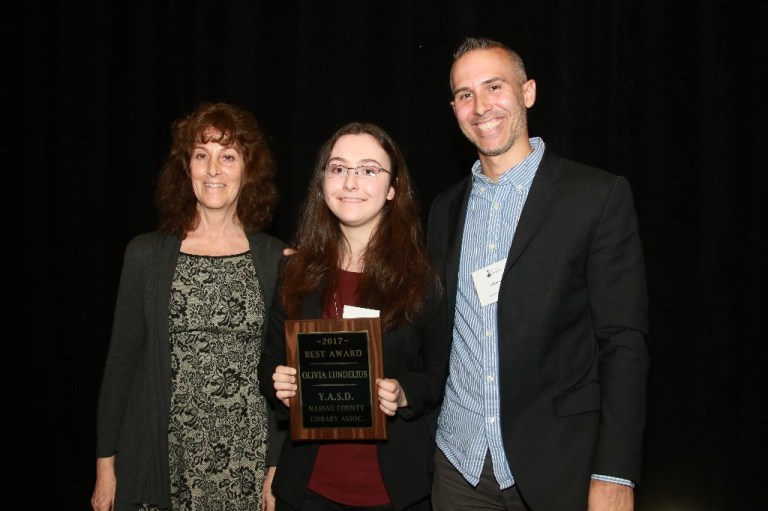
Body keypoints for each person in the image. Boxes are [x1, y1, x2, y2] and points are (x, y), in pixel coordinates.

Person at [427, 36, 649, 511]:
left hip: (558, 467)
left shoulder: (596, 196)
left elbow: (623, 343)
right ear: (454, 108)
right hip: (457, 469)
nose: (480, 106)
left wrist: (615, 472)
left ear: (527, 92)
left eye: (494, 87)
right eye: (465, 94)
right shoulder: (444, 210)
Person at [91, 102, 287, 511]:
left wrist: (275, 465)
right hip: (159, 455)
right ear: (187, 168)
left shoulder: (275, 260)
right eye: (202, 155)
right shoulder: (145, 255)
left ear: (249, 171)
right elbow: (120, 365)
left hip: (246, 463)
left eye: (228, 156)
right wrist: (105, 468)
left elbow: (283, 375)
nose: (214, 169)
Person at [257, 122, 450, 511]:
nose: (350, 182)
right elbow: (268, 367)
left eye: (368, 170)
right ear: (322, 180)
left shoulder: (423, 277)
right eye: (338, 168)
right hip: (308, 491)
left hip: (395, 491)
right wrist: (279, 385)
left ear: (393, 187)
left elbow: (440, 375)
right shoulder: (294, 272)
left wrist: (403, 392)